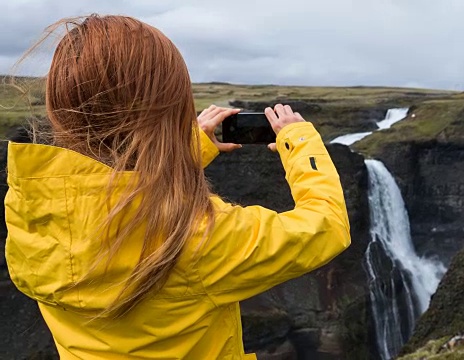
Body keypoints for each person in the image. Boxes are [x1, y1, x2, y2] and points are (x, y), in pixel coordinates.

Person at [5, 15, 350, 359]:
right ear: (168, 111)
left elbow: (111, 195)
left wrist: (192, 148)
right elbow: (327, 225)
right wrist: (301, 142)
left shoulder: (30, 208)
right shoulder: (196, 237)